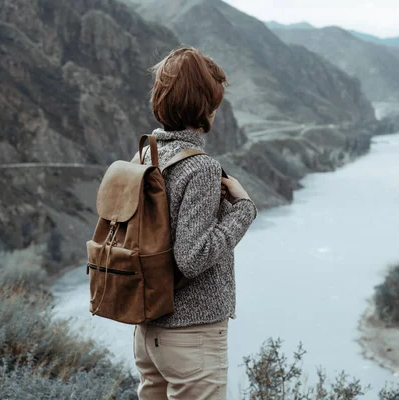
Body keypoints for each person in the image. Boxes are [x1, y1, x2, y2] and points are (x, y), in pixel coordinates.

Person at [133, 46, 258, 399]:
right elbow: (193, 256)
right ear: (206, 107)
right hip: (191, 337)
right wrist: (243, 211)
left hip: (148, 331)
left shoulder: (145, 153)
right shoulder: (200, 168)